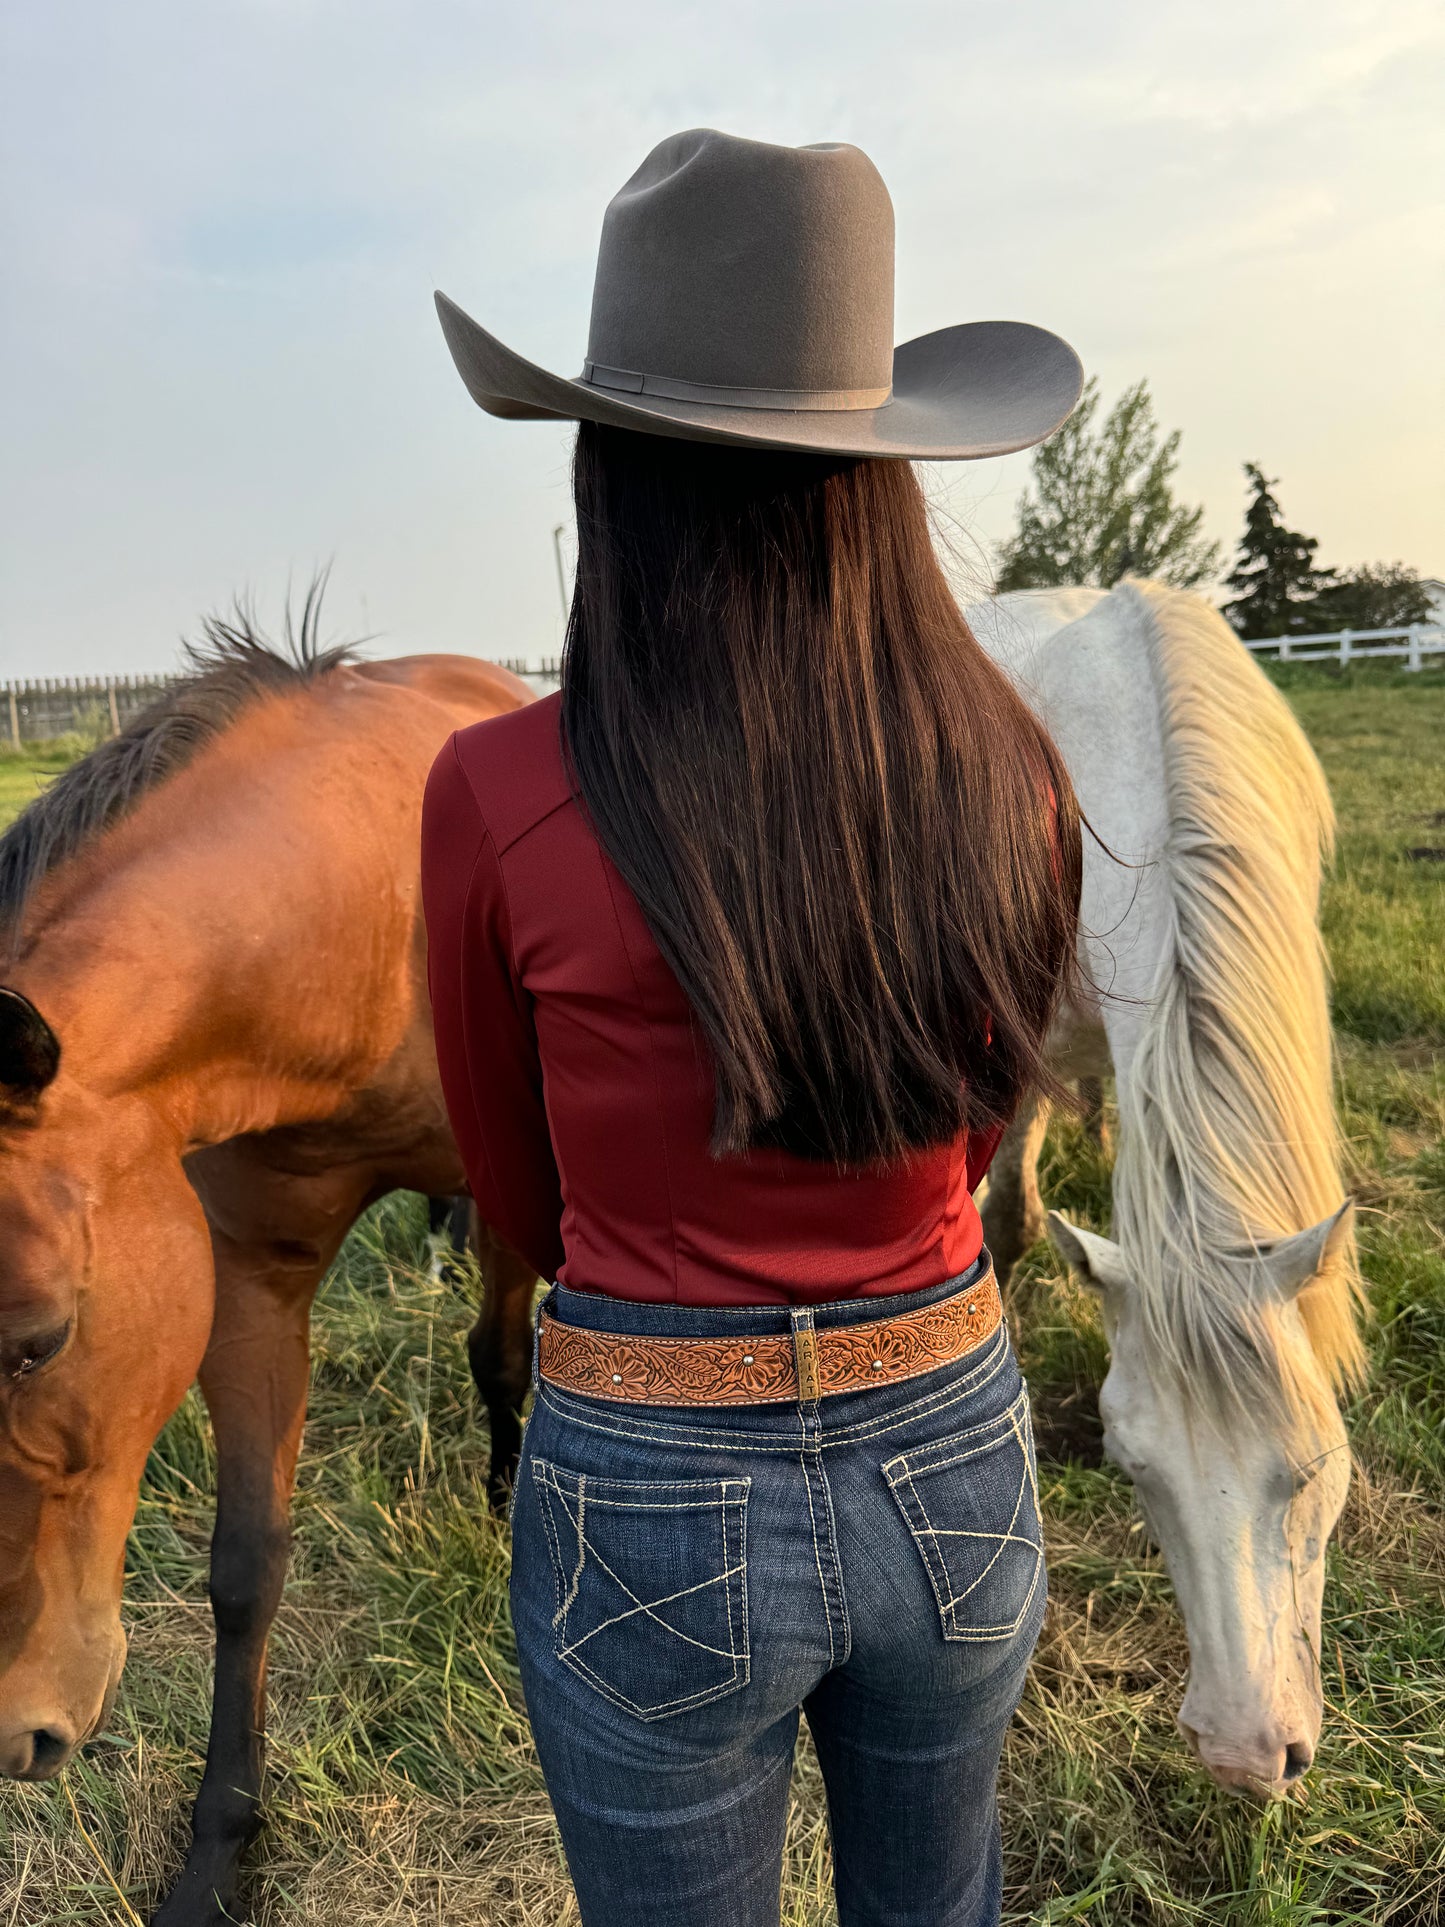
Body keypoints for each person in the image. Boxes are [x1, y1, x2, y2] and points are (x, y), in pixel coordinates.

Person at [422, 128, 1084, 1927]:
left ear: (608, 471)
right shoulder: (1005, 773)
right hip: (948, 1433)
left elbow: (518, 1193)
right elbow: (973, 1127)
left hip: (646, 1462)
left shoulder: (495, 792)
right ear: (878, 473)